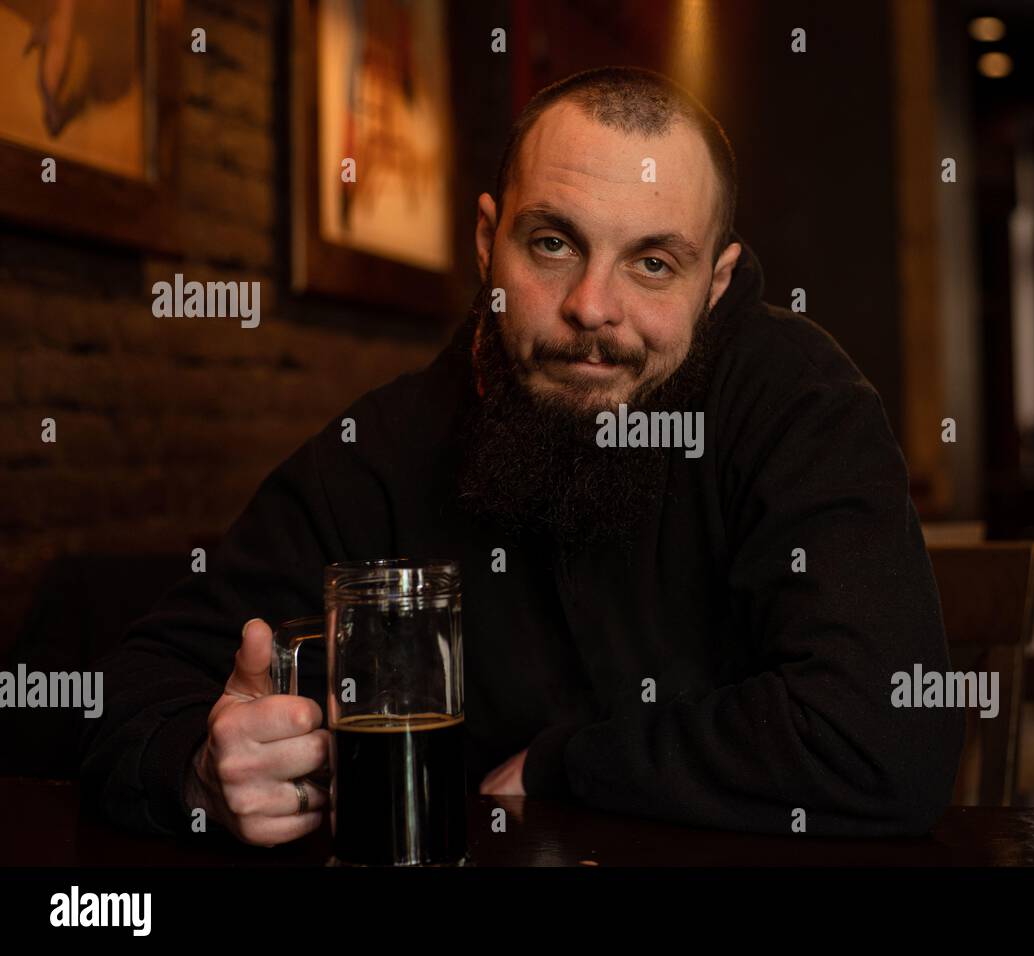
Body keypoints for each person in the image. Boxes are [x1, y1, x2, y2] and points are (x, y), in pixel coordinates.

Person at [80, 65, 964, 847]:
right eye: (553, 244)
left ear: (717, 283)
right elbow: (130, 690)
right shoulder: (386, 447)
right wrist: (201, 769)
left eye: (653, 263)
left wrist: (566, 764)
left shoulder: (797, 403)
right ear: (485, 241)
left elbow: (887, 741)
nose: (591, 306)